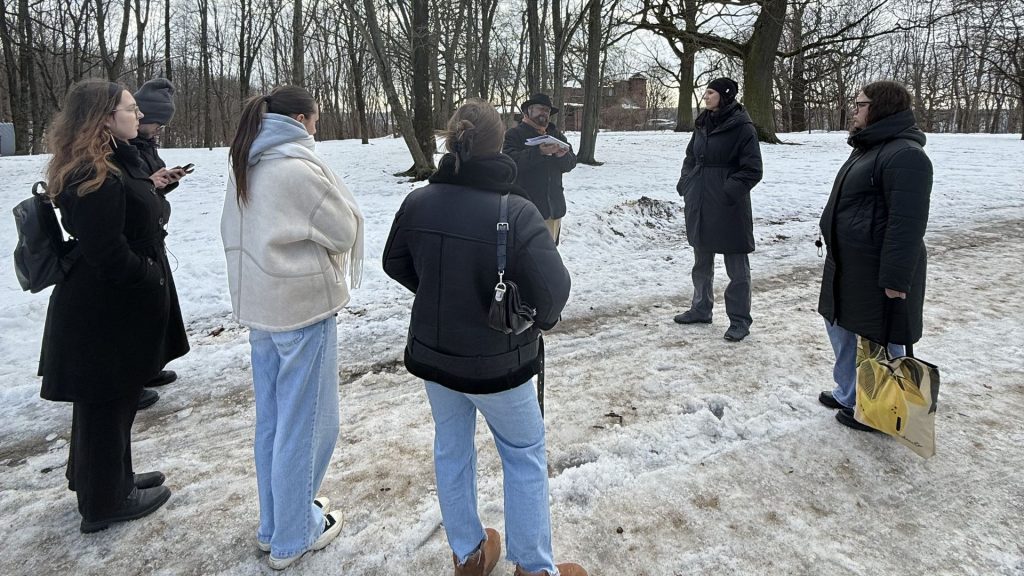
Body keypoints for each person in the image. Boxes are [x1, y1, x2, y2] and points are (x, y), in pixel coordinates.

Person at [383, 99, 585, 576]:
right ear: (501, 145)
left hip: (434, 356)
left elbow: (396, 262)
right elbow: (555, 290)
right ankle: (533, 568)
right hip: (500, 362)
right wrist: (537, 320)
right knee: (523, 454)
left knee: (451, 448)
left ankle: (469, 554)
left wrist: (439, 293)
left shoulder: (418, 201)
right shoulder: (515, 210)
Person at [221, 85, 363, 570]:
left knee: (275, 421)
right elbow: (343, 229)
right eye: (317, 118)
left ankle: (275, 522)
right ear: (302, 119)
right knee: (309, 424)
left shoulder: (249, 159)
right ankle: (294, 535)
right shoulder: (295, 167)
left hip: (262, 307)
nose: (318, 126)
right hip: (300, 309)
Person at [38, 79, 186, 533]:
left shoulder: (108, 162)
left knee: (111, 397)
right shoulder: (94, 173)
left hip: (106, 303)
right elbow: (106, 251)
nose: (138, 116)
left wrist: (152, 186)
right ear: (104, 117)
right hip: (104, 307)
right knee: (107, 398)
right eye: (129, 109)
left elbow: (127, 209)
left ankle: (101, 479)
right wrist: (147, 275)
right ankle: (105, 501)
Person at [816, 80, 932, 431]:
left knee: (880, 337)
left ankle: (883, 412)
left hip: (878, 269)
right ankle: (849, 393)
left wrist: (896, 280)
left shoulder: (906, 155)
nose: (854, 109)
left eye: (860, 104)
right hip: (848, 263)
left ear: (879, 108)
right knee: (840, 326)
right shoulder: (868, 148)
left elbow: (907, 223)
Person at [674, 77, 763, 342]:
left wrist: (726, 190)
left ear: (724, 96)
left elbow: (752, 170)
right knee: (701, 261)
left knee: (736, 267)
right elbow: (691, 157)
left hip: (729, 206)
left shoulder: (743, 128)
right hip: (699, 201)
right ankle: (701, 308)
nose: (705, 96)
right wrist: (686, 183)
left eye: (710, 92)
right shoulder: (702, 123)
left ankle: (739, 320)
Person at [130, 77, 191, 410]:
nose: (157, 129)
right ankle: (130, 377)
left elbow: (148, 187)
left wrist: (166, 181)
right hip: (135, 239)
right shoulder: (122, 146)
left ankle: (149, 366)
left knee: (157, 306)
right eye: (155, 122)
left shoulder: (145, 145)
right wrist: (151, 185)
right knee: (136, 311)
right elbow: (132, 190)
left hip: (152, 233)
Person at [502, 93, 577, 244]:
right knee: (527, 258)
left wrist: (560, 155)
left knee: (550, 258)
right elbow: (510, 164)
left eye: (547, 111)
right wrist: (539, 152)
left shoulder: (556, 135)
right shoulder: (514, 135)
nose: (544, 113)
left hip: (554, 209)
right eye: (540, 109)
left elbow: (571, 163)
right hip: (526, 209)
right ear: (528, 111)